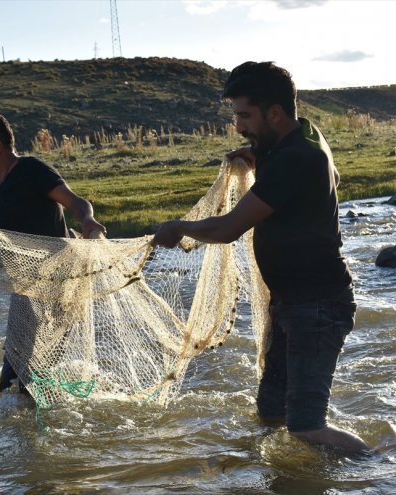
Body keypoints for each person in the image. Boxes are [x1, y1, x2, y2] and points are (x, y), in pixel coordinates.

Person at [152, 62, 369, 453]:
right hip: (290, 303)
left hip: (316, 307)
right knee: (271, 415)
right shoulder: (301, 137)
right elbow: (300, 169)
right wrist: (253, 156)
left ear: (274, 113)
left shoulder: (297, 158)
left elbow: (227, 229)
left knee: (306, 428)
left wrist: (180, 227)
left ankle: (382, 469)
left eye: (244, 116)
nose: (238, 127)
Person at [0, 111, 106, 394]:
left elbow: (77, 203)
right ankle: (36, 423)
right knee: (20, 377)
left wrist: (88, 221)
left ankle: (42, 429)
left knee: (20, 377)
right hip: (27, 287)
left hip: (59, 282)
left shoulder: (30, 171)